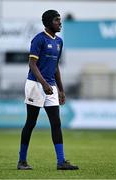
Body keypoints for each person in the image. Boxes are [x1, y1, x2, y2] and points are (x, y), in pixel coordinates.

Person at [17, 10, 79, 171]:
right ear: (49, 23)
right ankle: (22, 161)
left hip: (50, 86)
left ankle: (61, 162)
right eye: (57, 20)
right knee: (31, 122)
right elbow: (32, 64)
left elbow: (55, 66)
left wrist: (61, 89)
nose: (60, 22)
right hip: (35, 85)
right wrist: (43, 84)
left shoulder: (59, 41)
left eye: (60, 20)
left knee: (56, 123)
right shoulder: (39, 39)